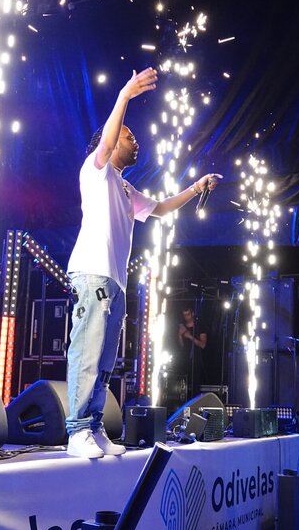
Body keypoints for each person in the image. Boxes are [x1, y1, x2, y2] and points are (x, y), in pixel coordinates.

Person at [64, 67, 221, 458]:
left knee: (105, 357)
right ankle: (77, 430)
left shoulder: (124, 186)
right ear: (110, 140)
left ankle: (93, 425)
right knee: (88, 349)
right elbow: (108, 138)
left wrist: (196, 187)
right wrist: (125, 94)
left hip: (114, 281)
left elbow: (161, 209)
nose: (136, 143)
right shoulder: (96, 170)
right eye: (128, 136)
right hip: (93, 272)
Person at [176, 305, 207, 400]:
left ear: (192, 314)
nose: (187, 317)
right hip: (185, 360)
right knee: (183, 386)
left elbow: (203, 345)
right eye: (184, 315)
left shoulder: (199, 327)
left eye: (188, 314)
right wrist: (180, 336)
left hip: (196, 361)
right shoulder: (183, 327)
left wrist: (189, 336)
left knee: (195, 385)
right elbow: (181, 346)